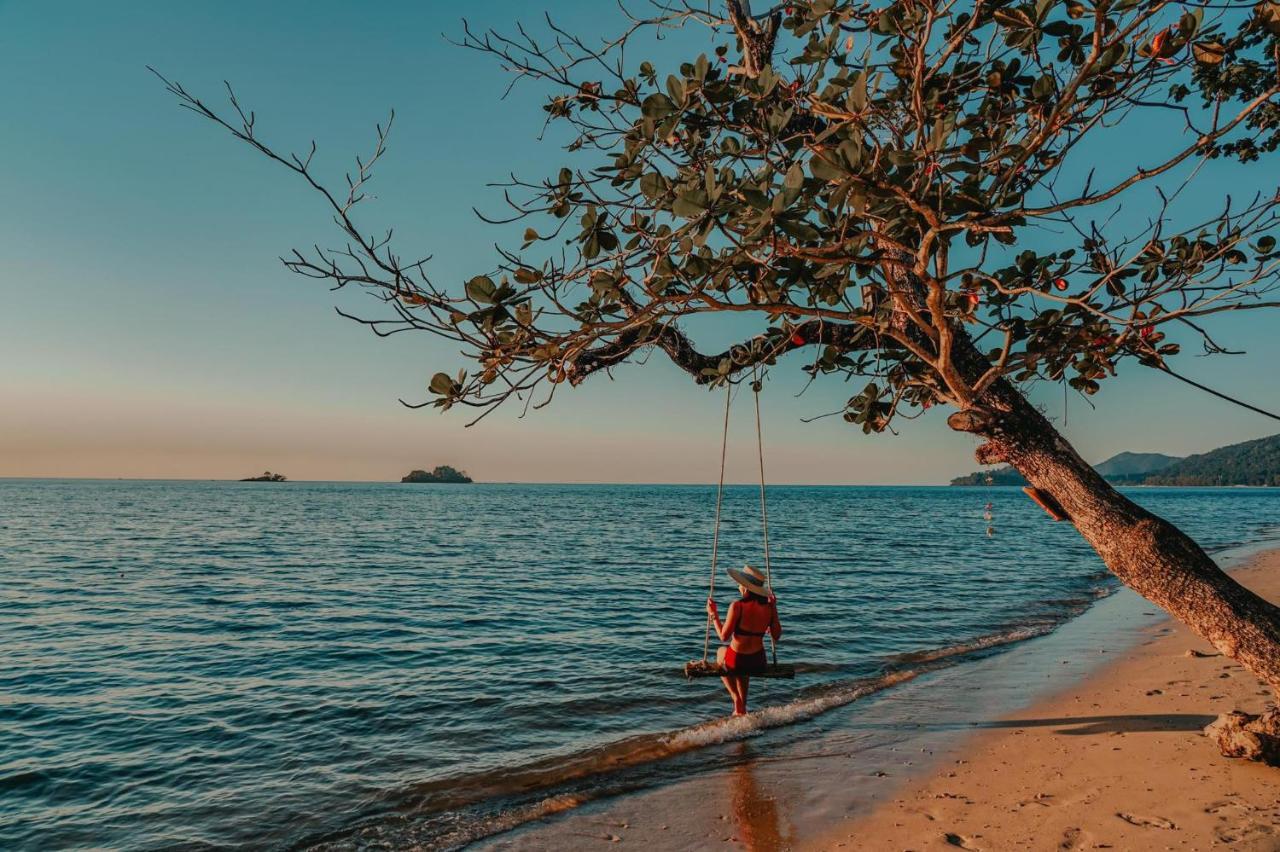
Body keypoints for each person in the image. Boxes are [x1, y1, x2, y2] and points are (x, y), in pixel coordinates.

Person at [706, 564, 782, 716]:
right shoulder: (768, 608)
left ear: (745, 588)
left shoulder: (737, 606)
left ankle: (736, 698)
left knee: (721, 652)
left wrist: (713, 614)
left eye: (740, 584)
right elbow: (777, 636)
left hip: (737, 661)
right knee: (744, 670)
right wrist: (773, 608)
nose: (738, 586)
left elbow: (723, 636)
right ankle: (742, 708)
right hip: (758, 662)